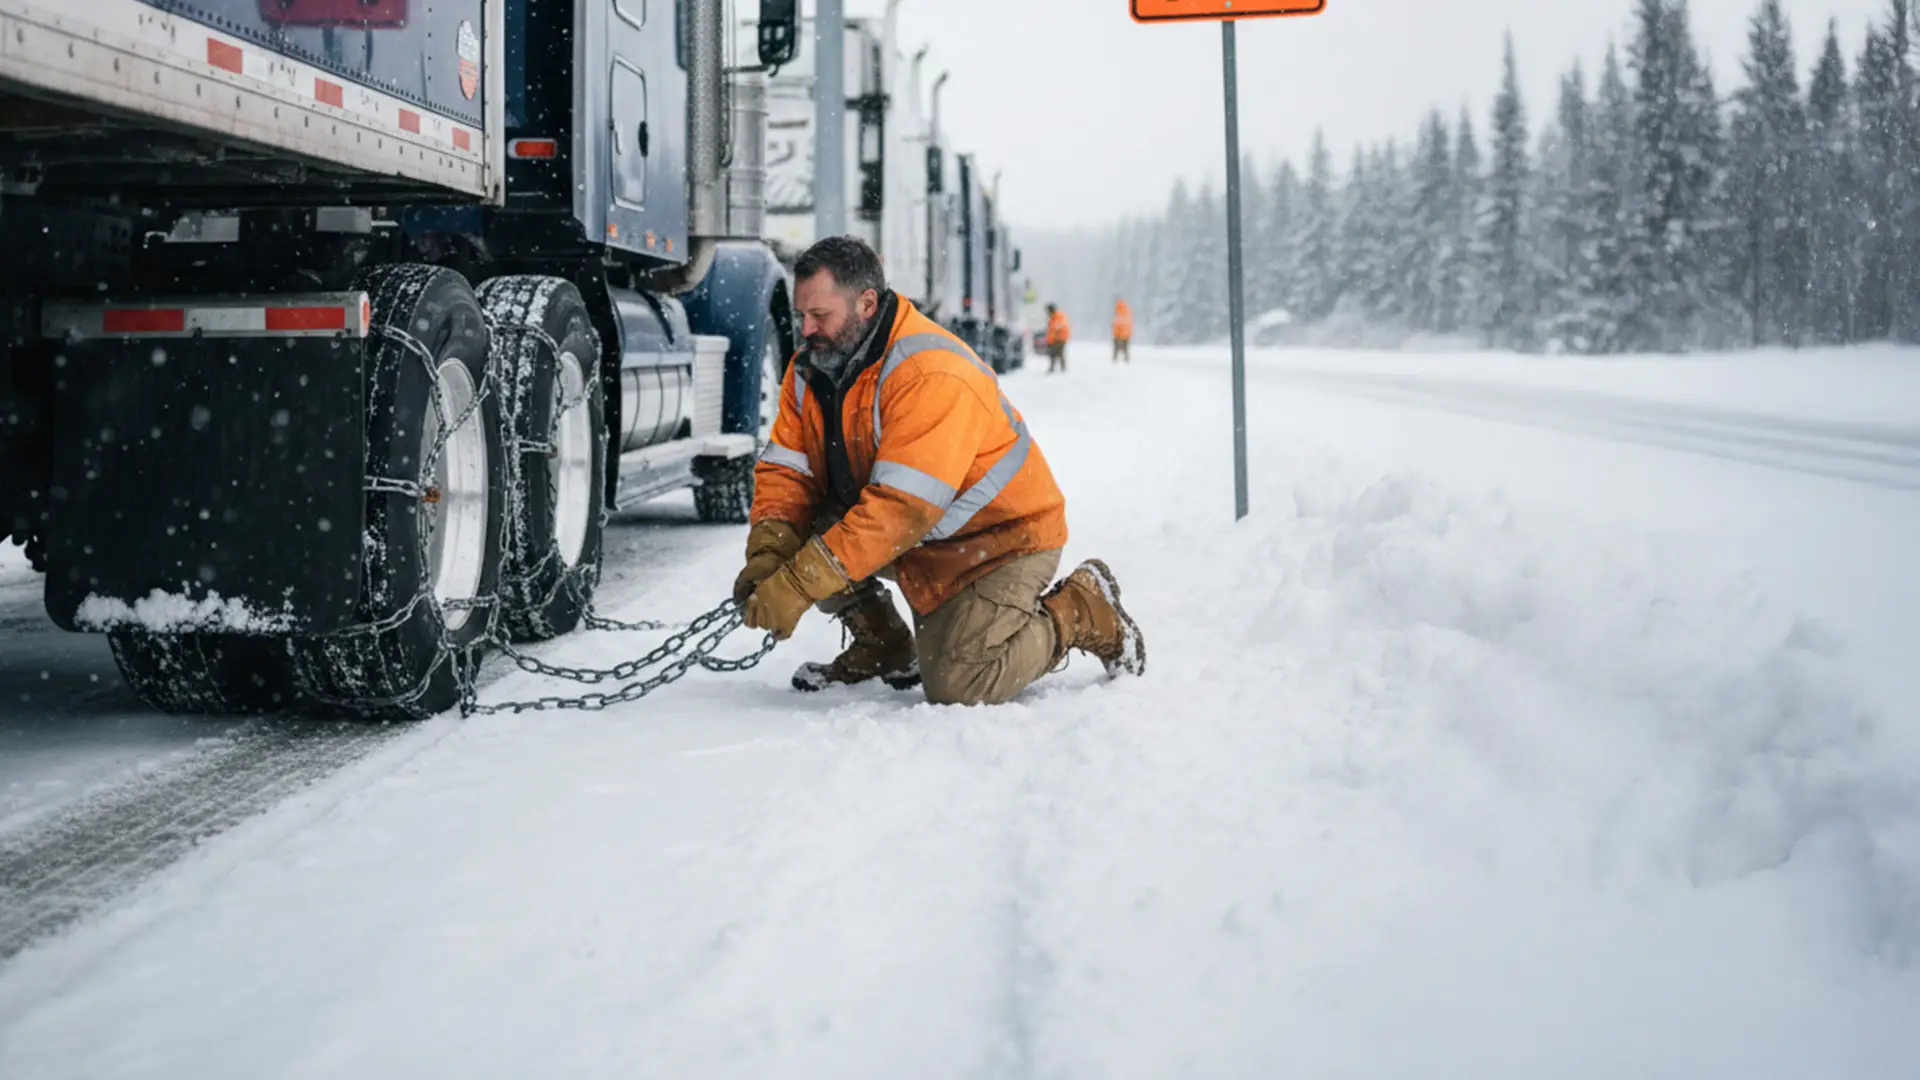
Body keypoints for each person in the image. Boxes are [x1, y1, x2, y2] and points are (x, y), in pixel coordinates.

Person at [734, 236, 1145, 706]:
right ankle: (884, 647)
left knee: (960, 686)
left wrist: (798, 583)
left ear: (866, 304)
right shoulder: (810, 370)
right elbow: (786, 473)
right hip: (921, 541)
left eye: (820, 316)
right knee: (803, 533)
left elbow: (901, 510)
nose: (806, 330)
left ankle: (1081, 608)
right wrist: (769, 556)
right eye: (801, 315)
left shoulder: (929, 371)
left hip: (999, 542)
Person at [1044, 303, 1071, 373]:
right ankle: (1059, 368)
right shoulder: (1054, 317)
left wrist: (1052, 340)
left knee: (1056, 353)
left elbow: (1057, 328)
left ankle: (1060, 368)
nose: (1047, 313)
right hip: (1057, 339)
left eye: (1048, 311)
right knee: (1056, 354)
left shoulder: (1058, 317)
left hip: (1059, 339)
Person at [1112, 298, 1133, 363]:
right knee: (1124, 349)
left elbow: (1117, 324)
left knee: (1117, 349)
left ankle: (1116, 360)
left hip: (1120, 335)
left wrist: (1117, 333)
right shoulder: (1127, 312)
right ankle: (1125, 360)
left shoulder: (1120, 313)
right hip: (1125, 335)